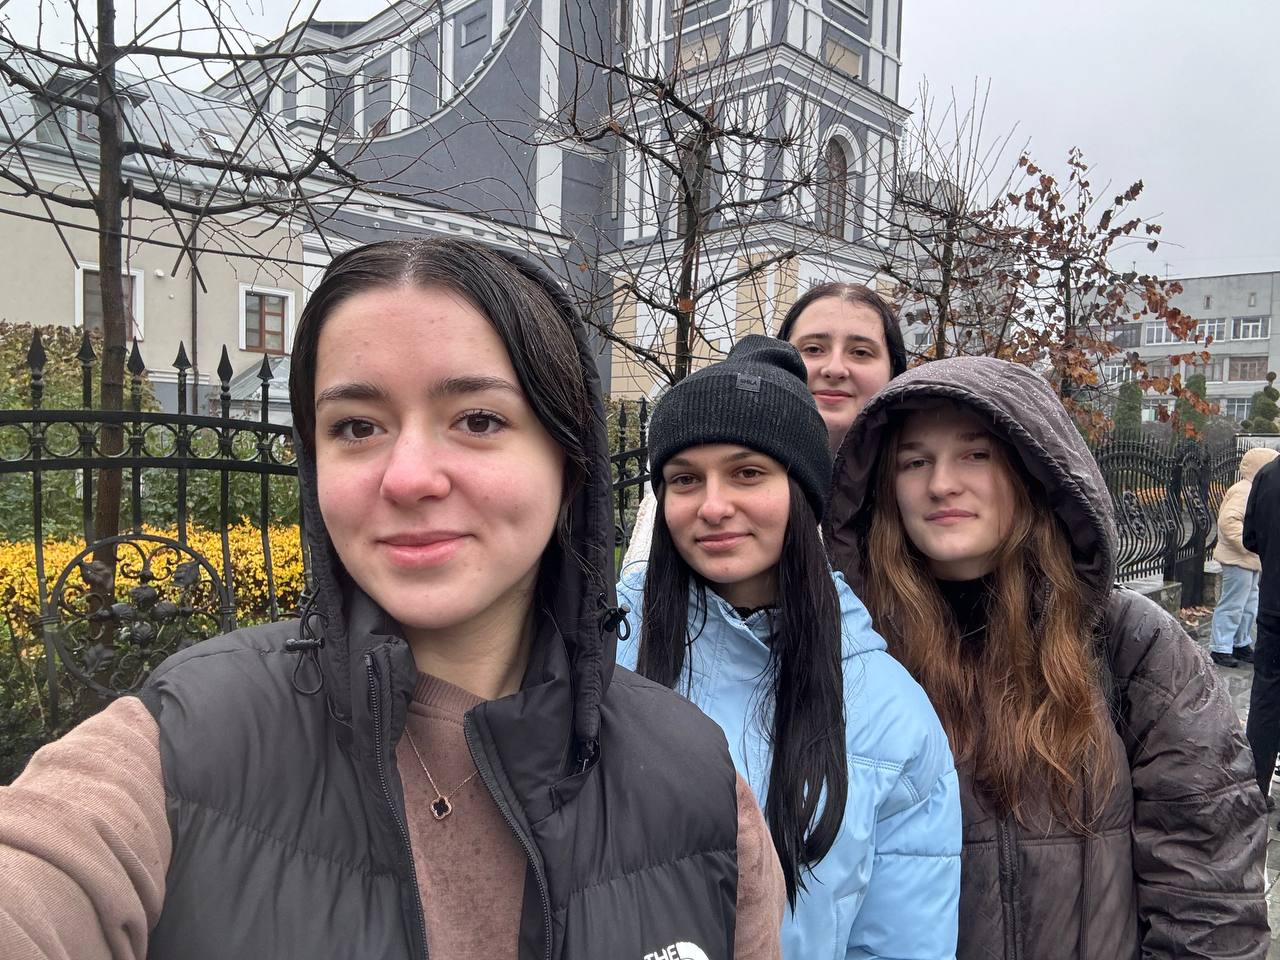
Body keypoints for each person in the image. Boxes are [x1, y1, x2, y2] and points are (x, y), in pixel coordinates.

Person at [0, 239, 787, 960]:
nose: (408, 477)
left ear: (568, 462)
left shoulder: (702, 791)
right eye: (356, 427)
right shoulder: (180, 747)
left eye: (477, 419)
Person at [825, 355, 1268, 959]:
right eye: (915, 461)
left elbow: (1208, 890)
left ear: (1033, 471)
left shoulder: (1130, 644)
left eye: (976, 455)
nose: (941, 483)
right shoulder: (855, 650)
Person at [616, 336, 962, 960]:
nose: (713, 506)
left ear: (802, 492)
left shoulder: (892, 716)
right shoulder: (603, 654)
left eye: (747, 473)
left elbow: (899, 944)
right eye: (685, 479)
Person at [622, 282, 907, 566]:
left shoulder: (918, 492)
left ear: (894, 370)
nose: (834, 368)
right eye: (813, 349)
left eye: (860, 352)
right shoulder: (678, 505)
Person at [1210, 447, 1279, 667]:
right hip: (1237, 559)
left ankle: (1241, 643)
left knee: (1249, 604)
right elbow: (1229, 522)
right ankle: (1220, 647)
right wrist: (1249, 546)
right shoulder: (1243, 490)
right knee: (1233, 603)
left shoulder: (1255, 487)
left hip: (1250, 560)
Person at [1245, 452, 1280, 806]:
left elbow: (1250, 538)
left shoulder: (1267, 475)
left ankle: (1256, 788)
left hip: (1273, 606)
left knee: (1267, 697)